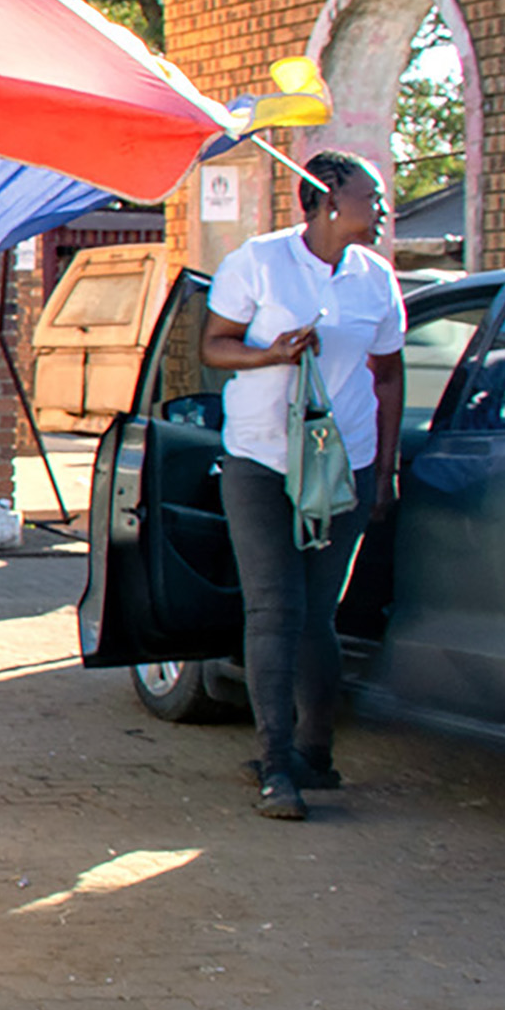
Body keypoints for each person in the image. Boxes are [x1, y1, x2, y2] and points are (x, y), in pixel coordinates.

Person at [198, 150, 406, 821]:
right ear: (320, 201)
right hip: (260, 459)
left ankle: (316, 755)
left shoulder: (375, 278)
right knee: (273, 609)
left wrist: (386, 467)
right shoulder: (257, 262)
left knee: (319, 612)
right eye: (368, 198)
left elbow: (388, 373)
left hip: (344, 463)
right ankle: (273, 766)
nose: (379, 210)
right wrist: (271, 354)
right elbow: (214, 346)